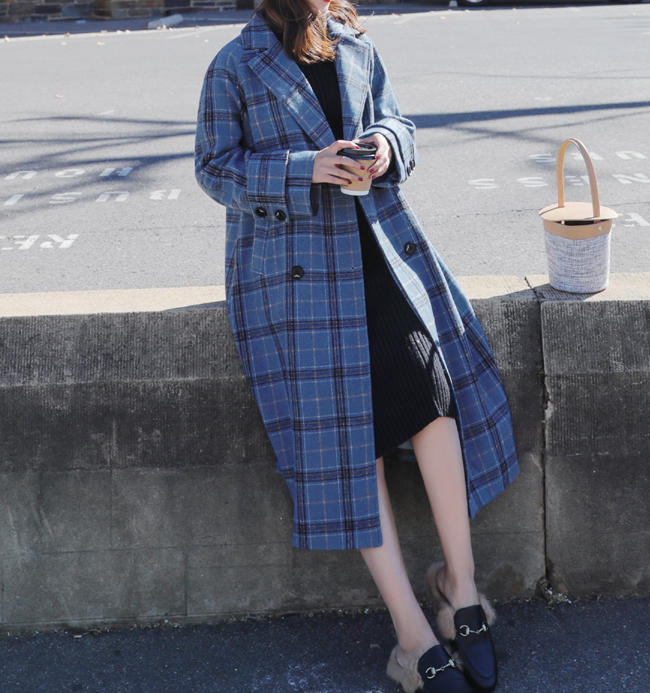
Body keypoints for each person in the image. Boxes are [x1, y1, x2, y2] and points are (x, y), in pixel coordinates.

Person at [194, 0, 519, 690]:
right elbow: (214, 168)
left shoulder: (354, 46)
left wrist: (387, 146)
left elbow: (399, 122)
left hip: (379, 252)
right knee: (351, 438)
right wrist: (306, 168)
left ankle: (459, 589)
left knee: (433, 398)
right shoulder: (234, 64)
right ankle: (410, 634)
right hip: (297, 276)